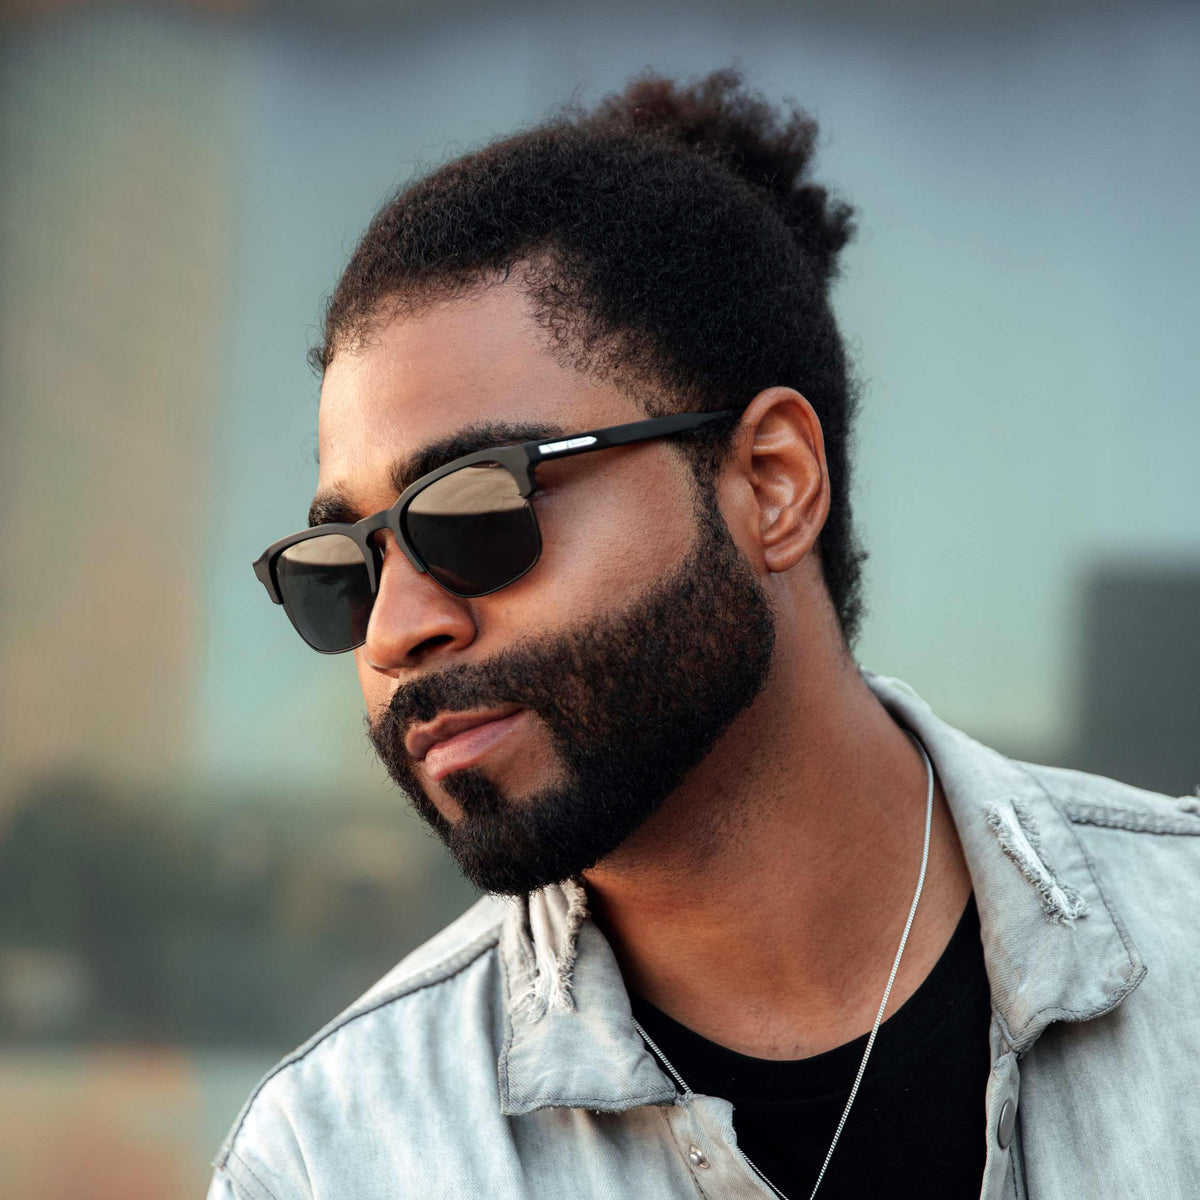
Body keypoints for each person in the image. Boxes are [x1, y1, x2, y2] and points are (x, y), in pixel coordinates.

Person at [210, 69, 1199, 1200]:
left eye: (475, 514)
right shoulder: (333, 1161)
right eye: (343, 569)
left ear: (772, 484)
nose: (394, 631)